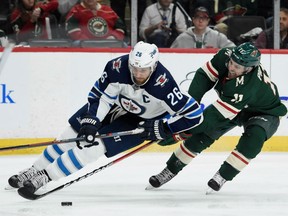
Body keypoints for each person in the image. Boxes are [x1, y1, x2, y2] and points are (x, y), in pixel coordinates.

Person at [8, 41, 204, 194]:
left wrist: (163, 128)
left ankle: (46, 177)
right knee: (72, 134)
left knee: (93, 147)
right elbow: (99, 96)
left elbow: (195, 115)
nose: (137, 73)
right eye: (134, 68)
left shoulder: (164, 85)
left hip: (141, 122)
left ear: (153, 67)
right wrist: (93, 120)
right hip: (113, 105)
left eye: (143, 70)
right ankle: (34, 169)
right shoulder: (116, 66)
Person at [146, 42, 287, 193]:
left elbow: (210, 119)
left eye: (237, 67)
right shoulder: (225, 55)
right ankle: (170, 169)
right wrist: (188, 109)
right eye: (232, 62)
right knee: (201, 136)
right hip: (235, 106)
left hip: (265, 112)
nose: (231, 68)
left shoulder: (247, 86)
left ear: (249, 69)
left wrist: (178, 132)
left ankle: (223, 175)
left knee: (254, 139)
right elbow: (203, 76)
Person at [171, 6, 235, 48]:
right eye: (198, 17)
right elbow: (170, 55)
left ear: (208, 21)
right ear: (193, 20)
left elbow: (232, 49)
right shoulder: (182, 38)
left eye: (204, 18)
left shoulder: (217, 37)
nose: (200, 21)